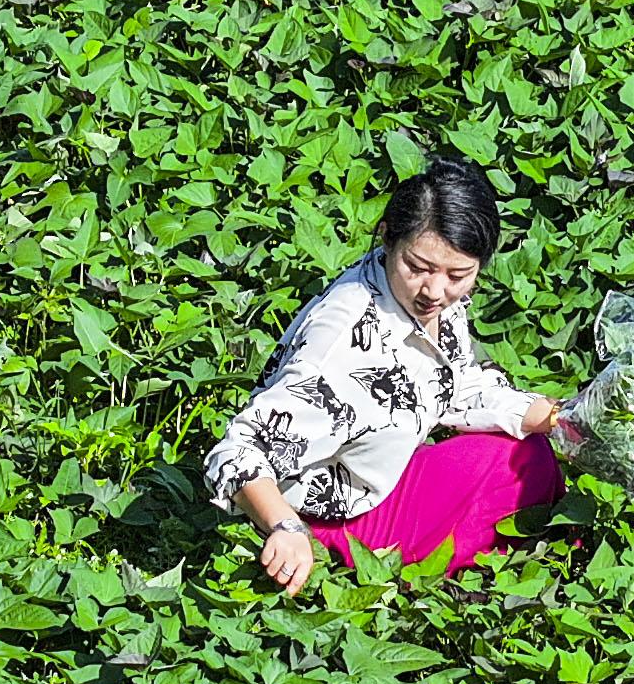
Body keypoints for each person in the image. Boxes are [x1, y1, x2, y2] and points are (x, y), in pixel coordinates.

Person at [206, 158, 568, 594]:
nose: (434, 291)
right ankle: (456, 582)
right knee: (514, 471)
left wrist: (557, 416)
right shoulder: (341, 348)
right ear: (388, 239)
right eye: (417, 267)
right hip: (336, 520)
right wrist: (285, 527)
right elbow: (238, 450)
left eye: (458, 275)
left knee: (530, 454)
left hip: (386, 473)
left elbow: (453, 382)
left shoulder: (430, 301)